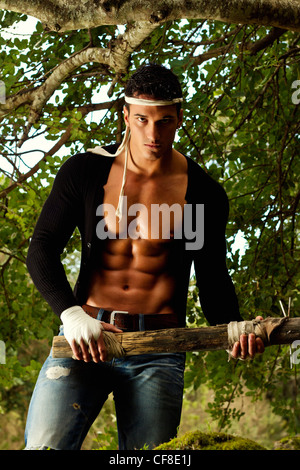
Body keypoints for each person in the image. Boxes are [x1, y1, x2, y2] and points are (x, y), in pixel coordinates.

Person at [24, 63, 264, 450]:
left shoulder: (204, 192)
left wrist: (232, 331)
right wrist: (71, 315)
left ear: (179, 118)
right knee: (43, 449)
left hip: (160, 347)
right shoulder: (85, 171)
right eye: (142, 120)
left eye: (165, 121)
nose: (153, 133)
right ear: (125, 115)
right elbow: (42, 246)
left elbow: (213, 276)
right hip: (87, 337)